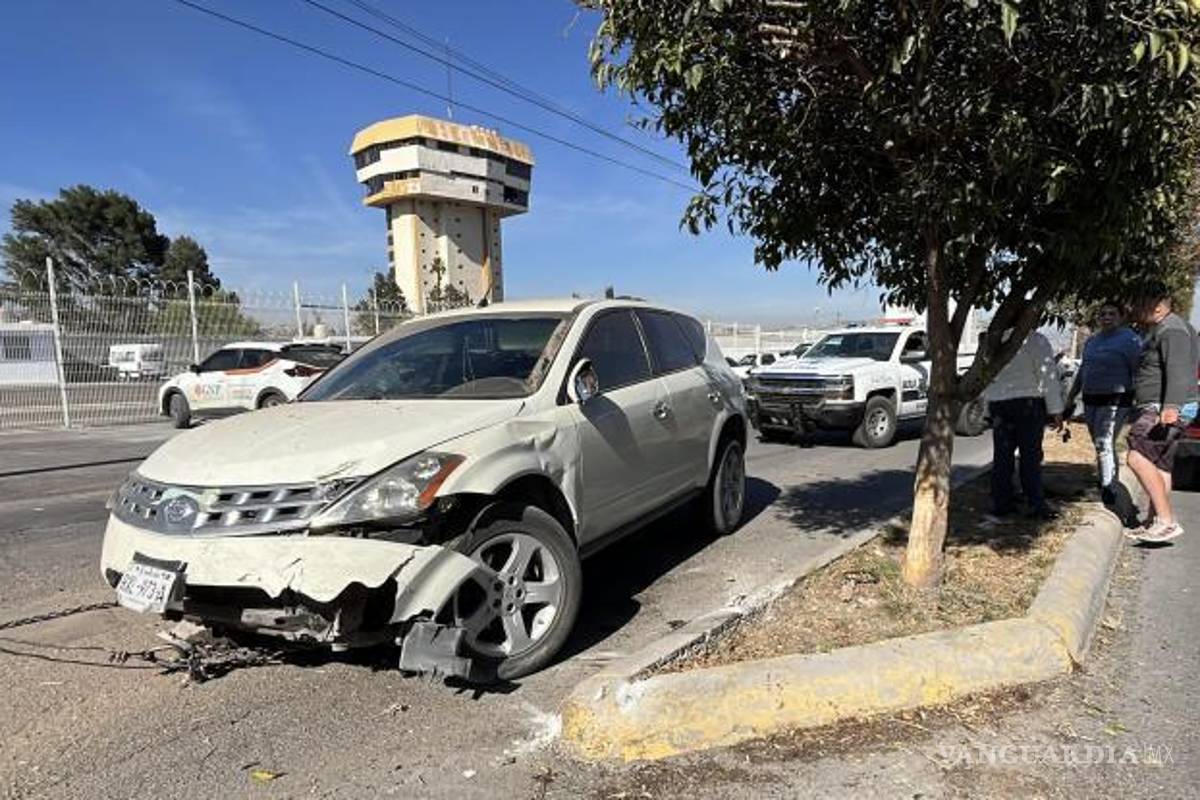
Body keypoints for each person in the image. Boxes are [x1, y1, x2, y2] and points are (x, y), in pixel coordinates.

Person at [1125, 289, 1199, 543]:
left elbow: (1178, 370)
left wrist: (1171, 406)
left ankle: (1166, 521)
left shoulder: (1172, 329)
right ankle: (1154, 521)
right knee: (1160, 464)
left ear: (1157, 307)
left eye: (1140, 302)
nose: (1134, 307)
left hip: (1162, 407)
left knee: (1136, 455)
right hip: (1162, 404)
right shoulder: (1167, 327)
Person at [983, 328, 1065, 521]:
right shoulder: (1036, 340)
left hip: (1000, 404)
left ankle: (1001, 503)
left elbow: (987, 376)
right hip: (1028, 404)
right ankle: (1035, 504)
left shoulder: (994, 341)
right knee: (1031, 456)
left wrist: (987, 407)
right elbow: (1048, 378)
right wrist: (1056, 410)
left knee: (1002, 457)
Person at [1065, 304, 1143, 504]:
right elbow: (1083, 370)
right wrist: (1071, 396)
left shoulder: (1130, 340)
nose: (1107, 317)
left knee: (1104, 442)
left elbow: (1138, 371)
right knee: (1100, 444)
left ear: (1121, 317)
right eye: (1103, 314)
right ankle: (1108, 480)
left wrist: (1138, 400)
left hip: (1116, 400)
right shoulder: (1092, 341)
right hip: (1091, 400)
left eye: (1112, 313)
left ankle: (1108, 488)